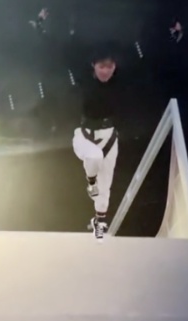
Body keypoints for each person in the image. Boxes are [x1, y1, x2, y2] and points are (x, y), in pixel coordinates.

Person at [72, 48, 121, 241]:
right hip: (84, 136)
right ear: (93, 66)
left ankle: (99, 222)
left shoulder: (120, 83)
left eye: (110, 67)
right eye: (102, 67)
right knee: (94, 156)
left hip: (109, 137)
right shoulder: (83, 80)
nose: (106, 71)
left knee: (106, 186)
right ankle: (91, 182)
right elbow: (65, 52)